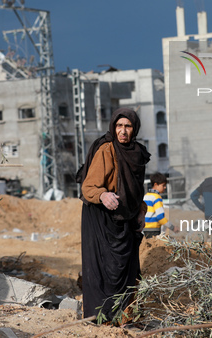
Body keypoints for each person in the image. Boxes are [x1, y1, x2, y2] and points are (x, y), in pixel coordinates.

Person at [77, 107, 151, 321]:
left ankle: (125, 315)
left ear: (134, 128)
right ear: (113, 127)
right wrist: (103, 195)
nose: (123, 131)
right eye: (119, 126)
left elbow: (136, 190)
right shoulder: (107, 150)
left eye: (127, 126)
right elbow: (88, 187)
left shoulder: (137, 153)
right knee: (105, 268)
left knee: (128, 267)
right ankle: (101, 316)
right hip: (101, 217)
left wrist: (141, 211)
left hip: (125, 217)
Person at [143, 172, 176, 239]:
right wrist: (172, 227)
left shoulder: (145, 196)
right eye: (163, 185)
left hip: (144, 229)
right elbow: (160, 217)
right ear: (156, 184)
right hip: (154, 229)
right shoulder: (157, 198)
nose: (165, 187)